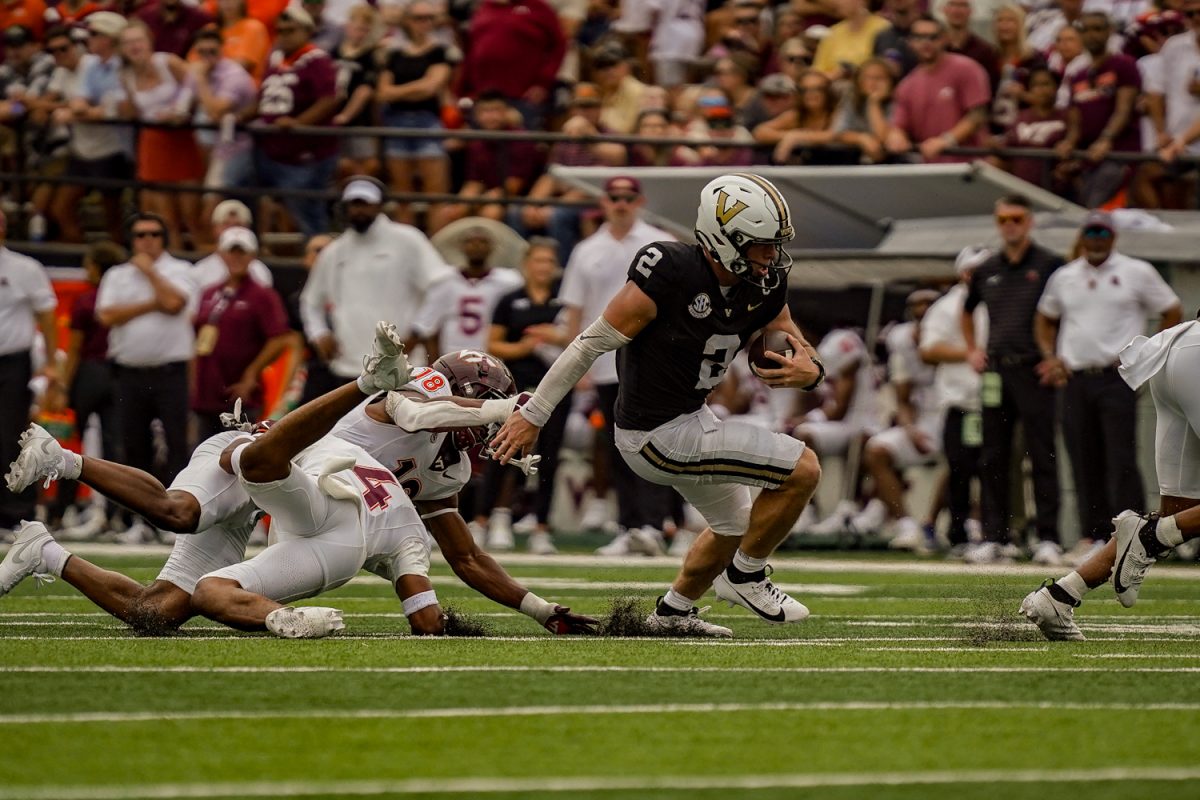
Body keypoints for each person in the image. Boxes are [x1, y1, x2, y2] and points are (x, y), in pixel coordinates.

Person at [1, 334, 595, 638]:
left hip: (315, 495)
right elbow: (417, 417)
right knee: (180, 511)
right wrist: (507, 413)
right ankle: (65, 460)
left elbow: (465, 555)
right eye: (485, 406)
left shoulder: (453, 469)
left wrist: (541, 611)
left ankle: (42, 550)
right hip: (270, 456)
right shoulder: (419, 393)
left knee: (156, 613)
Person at [491, 173, 824, 637]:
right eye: (761, 244)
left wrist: (812, 371)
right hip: (653, 435)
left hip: (692, 418)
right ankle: (746, 576)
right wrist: (532, 414)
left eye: (775, 244)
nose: (772, 256)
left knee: (733, 524)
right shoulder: (668, 270)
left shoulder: (764, 282)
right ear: (725, 238)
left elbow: (790, 336)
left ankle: (673, 613)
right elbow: (588, 344)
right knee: (802, 468)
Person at [1021, 315, 1200, 641]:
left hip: (1176, 348)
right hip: (1193, 353)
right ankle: (1152, 537)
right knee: (1161, 530)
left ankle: (1060, 595)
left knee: (1179, 513)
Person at [1033, 211, 1181, 564]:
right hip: (1076, 377)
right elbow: (1044, 318)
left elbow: (1171, 310)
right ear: (1082, 237)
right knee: (1083, 457)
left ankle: (1131, 538)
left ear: (1113, 237)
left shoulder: (1136, 271)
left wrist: (1149, 356)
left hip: (1117, 377)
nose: (1096, 239)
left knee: (1121, 457)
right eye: (1090, 233)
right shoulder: (1065, 276)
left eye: (1103, 233)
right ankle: (1092, 534)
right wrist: (1050, 356)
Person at [559, 176, 678, 556]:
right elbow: (575, 312)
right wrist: (576, 365)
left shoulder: (659, 243)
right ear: (604, 202)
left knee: (657, 446)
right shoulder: (586, 250)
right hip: (606, 363)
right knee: (618, 449)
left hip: (652, 361)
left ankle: (660, 526)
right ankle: (630, 527)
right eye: (614, 197)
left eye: (628, 197)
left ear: (639, 201)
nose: (621, 204)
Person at [961, 194, 1064, 564]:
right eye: (1003, 219)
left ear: (1029, 221)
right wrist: (973, 348)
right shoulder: (987, 267)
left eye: (1017, 218)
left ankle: (1048, 536)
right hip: (997, 369)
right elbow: (967, 309)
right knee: (993, 453)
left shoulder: (1050, 264)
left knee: (1042, 453)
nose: (1010, 225)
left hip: (1034, 367)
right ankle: (996, 536)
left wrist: (1054, 357)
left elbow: (1064, 314)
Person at [299, 176, 450, 402]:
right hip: (349, 367)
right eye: (354, 204)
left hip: (401, 367)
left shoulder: (408, 240)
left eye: (365, 203)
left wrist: (420, 330)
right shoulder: (335, 251)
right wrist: (319, 334)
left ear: (379, 205)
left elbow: (441, 285)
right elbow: (311, 301)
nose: (359, 210)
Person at [95, 212, 196, 540]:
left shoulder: (181, 269)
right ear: (131, 240)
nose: (147, 240)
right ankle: (139, 521)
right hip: (129, 373)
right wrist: (154, 302)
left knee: (177, 446)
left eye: (154, 234)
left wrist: (150, 272)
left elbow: (177, 303)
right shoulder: (117, 274)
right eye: (140, 235)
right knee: (133, 448)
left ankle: (176, 516)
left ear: (164, 238)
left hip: (170, 372)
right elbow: (107, 315)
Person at [482, 239, 573, 554]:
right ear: (526, 264)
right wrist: (524, 347)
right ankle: (489, 519)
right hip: (516, 388)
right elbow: (493, 344)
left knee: (549, 457)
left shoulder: (565, 303)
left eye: (549, 261)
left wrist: (555, 336)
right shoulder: (510, 300)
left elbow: (579, 340)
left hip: (556, 387)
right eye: (538, 260)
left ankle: (541, 528)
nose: (544, 267)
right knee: (504, 451)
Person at [853, 289, 941, 551]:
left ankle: (932, 525)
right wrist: (910, 428)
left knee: (961, 455)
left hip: (955, 413)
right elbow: (903, 398)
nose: (922, 309)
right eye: (917, 304)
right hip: (924, 419)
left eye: (928, 303)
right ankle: (906, 525)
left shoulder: (956, 333)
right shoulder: (901, 340)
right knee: (877, 449)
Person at [191, 227, 294, 443]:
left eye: (242, 252)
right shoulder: (210, 292)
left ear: (252, 256)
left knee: (238, 454)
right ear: (222, 254)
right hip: (207, 391)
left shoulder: (262, 295)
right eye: (232, 251)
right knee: (202, 455)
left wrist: (251, 375)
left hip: (239, 393)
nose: (236, 258)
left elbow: (280, 339)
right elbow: (198, 339)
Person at [918, 244, 989, 554]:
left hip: (995, 400)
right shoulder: (947, 307)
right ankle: (959, 531)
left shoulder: (998, 300)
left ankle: (995, 532)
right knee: (960, 467)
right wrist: (970, 353)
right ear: (963, 272)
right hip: (960, 399)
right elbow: (929, 349)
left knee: (993, 468)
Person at [56, 240, 126, 540]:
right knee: (114, 448)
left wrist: (61, 384)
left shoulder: (86, 301)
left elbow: (73, 349)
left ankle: (63, 510)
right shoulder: (122, 300)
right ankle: (114, 515)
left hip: (89, 374)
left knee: (71, 447)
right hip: (118, 373)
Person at [250, 4, 339, 237]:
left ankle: (319, 256)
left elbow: (329, 100)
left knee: (308, 211)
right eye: (280, 30)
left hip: (306, 152)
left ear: (307, 31)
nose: (284, 36)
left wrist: (298, 122)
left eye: (291, 30)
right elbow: (263, 98)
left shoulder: (317, 59)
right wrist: (239, 116)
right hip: (273, 150)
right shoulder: (276, 58)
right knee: (243, 190)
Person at [119, 21, 204, 248]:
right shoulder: (125, 76)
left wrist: (182, 110)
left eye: (138, 40)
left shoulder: (168, 62)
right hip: (152, 143)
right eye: (128, 43)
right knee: (165, 220)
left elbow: (196, 81)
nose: (134, 46)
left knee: (191, 215)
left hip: (180, 139)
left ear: (149, 42)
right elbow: (135, 112)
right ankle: (173, 261)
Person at [0, 210, 56, 539]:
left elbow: (47, 315)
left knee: (11, 437)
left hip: (12, 363)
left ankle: (14, 515)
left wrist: (51, 363)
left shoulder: (24, 268)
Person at [55, 11, 133, 244]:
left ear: (109, 38)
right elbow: (80, 101)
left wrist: (82, 112)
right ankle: (86, 257)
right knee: (62, 208)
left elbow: (112, 111)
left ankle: (114, 261)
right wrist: (85, 110)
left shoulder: (125, 67)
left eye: (94, 34)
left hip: (112, 150)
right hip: (83, 148)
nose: (88, 39)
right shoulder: (91, 65)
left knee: (112, 216)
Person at [1052, 12, 1141, 209]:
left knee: (1095, 209)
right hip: (1088, 158)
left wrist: (1106, 139)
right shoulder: (1078, 75)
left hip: (1118, 155)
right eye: (1086, 30)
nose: (1092, 35)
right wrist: (1068, 143)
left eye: (1098, 29)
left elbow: (1123, 109)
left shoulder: (1123, 64)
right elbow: (1075, 121)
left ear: (1109, 32)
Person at [377, 0, 453, 227]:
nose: (424, 23)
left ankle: (436, 249)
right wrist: (417, 87)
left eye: (429, 18)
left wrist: (399, 91)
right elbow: (383, 93)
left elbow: (432, 87)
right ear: (407, 22)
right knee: (402, 195)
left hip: (427, 121)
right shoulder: (394, 54)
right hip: (396, 122)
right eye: (419, 18)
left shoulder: (440, 51)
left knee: (435, 194)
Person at [884, 14, 991, 164]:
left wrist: (947, 140)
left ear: (944, 39)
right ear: (910, 42)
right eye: (919, 37)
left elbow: (978, 115)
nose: (926, 43)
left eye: (933, 37)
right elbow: (899, 125)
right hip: (930, 169)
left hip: (970, 167)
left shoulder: (967, 68)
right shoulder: (906, 85)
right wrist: (896, 137)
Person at [409, 226, 523, 360]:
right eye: (471, 242)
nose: (476, 246)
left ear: (492, 247)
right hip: (452, 355)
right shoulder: (446, 281)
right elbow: (426, 326)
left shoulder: (508, 281)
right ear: (461, 247)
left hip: (491, 357)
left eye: (483, 242)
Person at [455, 0, 566, 130]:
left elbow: (559, 46)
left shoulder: (538, 8)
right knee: (480, 145)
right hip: (483, 95)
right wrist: (462, 90)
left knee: (521, 144)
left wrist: (543, 82)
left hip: (522, 95)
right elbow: (471, 50)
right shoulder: (483, 8)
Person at [190, 199, 273, 292]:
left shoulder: (259, 270)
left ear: (248, 229)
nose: (232, 229)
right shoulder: (200, 270)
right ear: (214, 229)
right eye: (226, 224)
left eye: (238, 224)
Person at [811, 0, 890, 81]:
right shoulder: (833, 33)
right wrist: (834, 75)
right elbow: (817, 72)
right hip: (833, 86)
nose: (838, 2)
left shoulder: (883, 28)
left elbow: (886, 67)